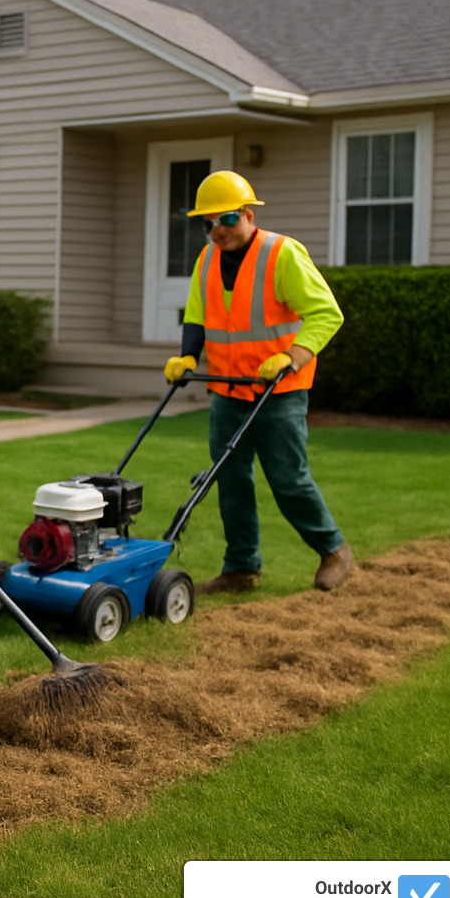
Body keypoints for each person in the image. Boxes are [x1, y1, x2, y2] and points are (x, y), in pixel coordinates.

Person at [163, 170, 353, 595]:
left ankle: (334, 550)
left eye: (226, 219)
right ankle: (241, 568)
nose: (217, 230)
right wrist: (188, 357)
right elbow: (197, 315)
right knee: (229, 479)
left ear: (248, 215)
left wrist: (291, 356)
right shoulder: (206, 260)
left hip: (279, 391)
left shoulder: (282, 254)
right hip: (228, 390)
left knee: (288, 478)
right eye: (206, 223)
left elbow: (327, 314)